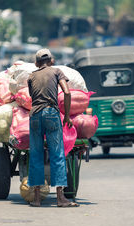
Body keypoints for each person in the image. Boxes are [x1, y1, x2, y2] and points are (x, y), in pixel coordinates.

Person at [27, 48, 78, 207]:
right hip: (51, 114)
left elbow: (32, 96)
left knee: (35, 154)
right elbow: (67, 92)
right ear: (51, 60)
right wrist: (68, 115)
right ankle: (60, 198)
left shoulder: (31, 76)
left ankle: (36, 199)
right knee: (57, 153)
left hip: (35, 115)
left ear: (36, 63)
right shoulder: (56, 72)